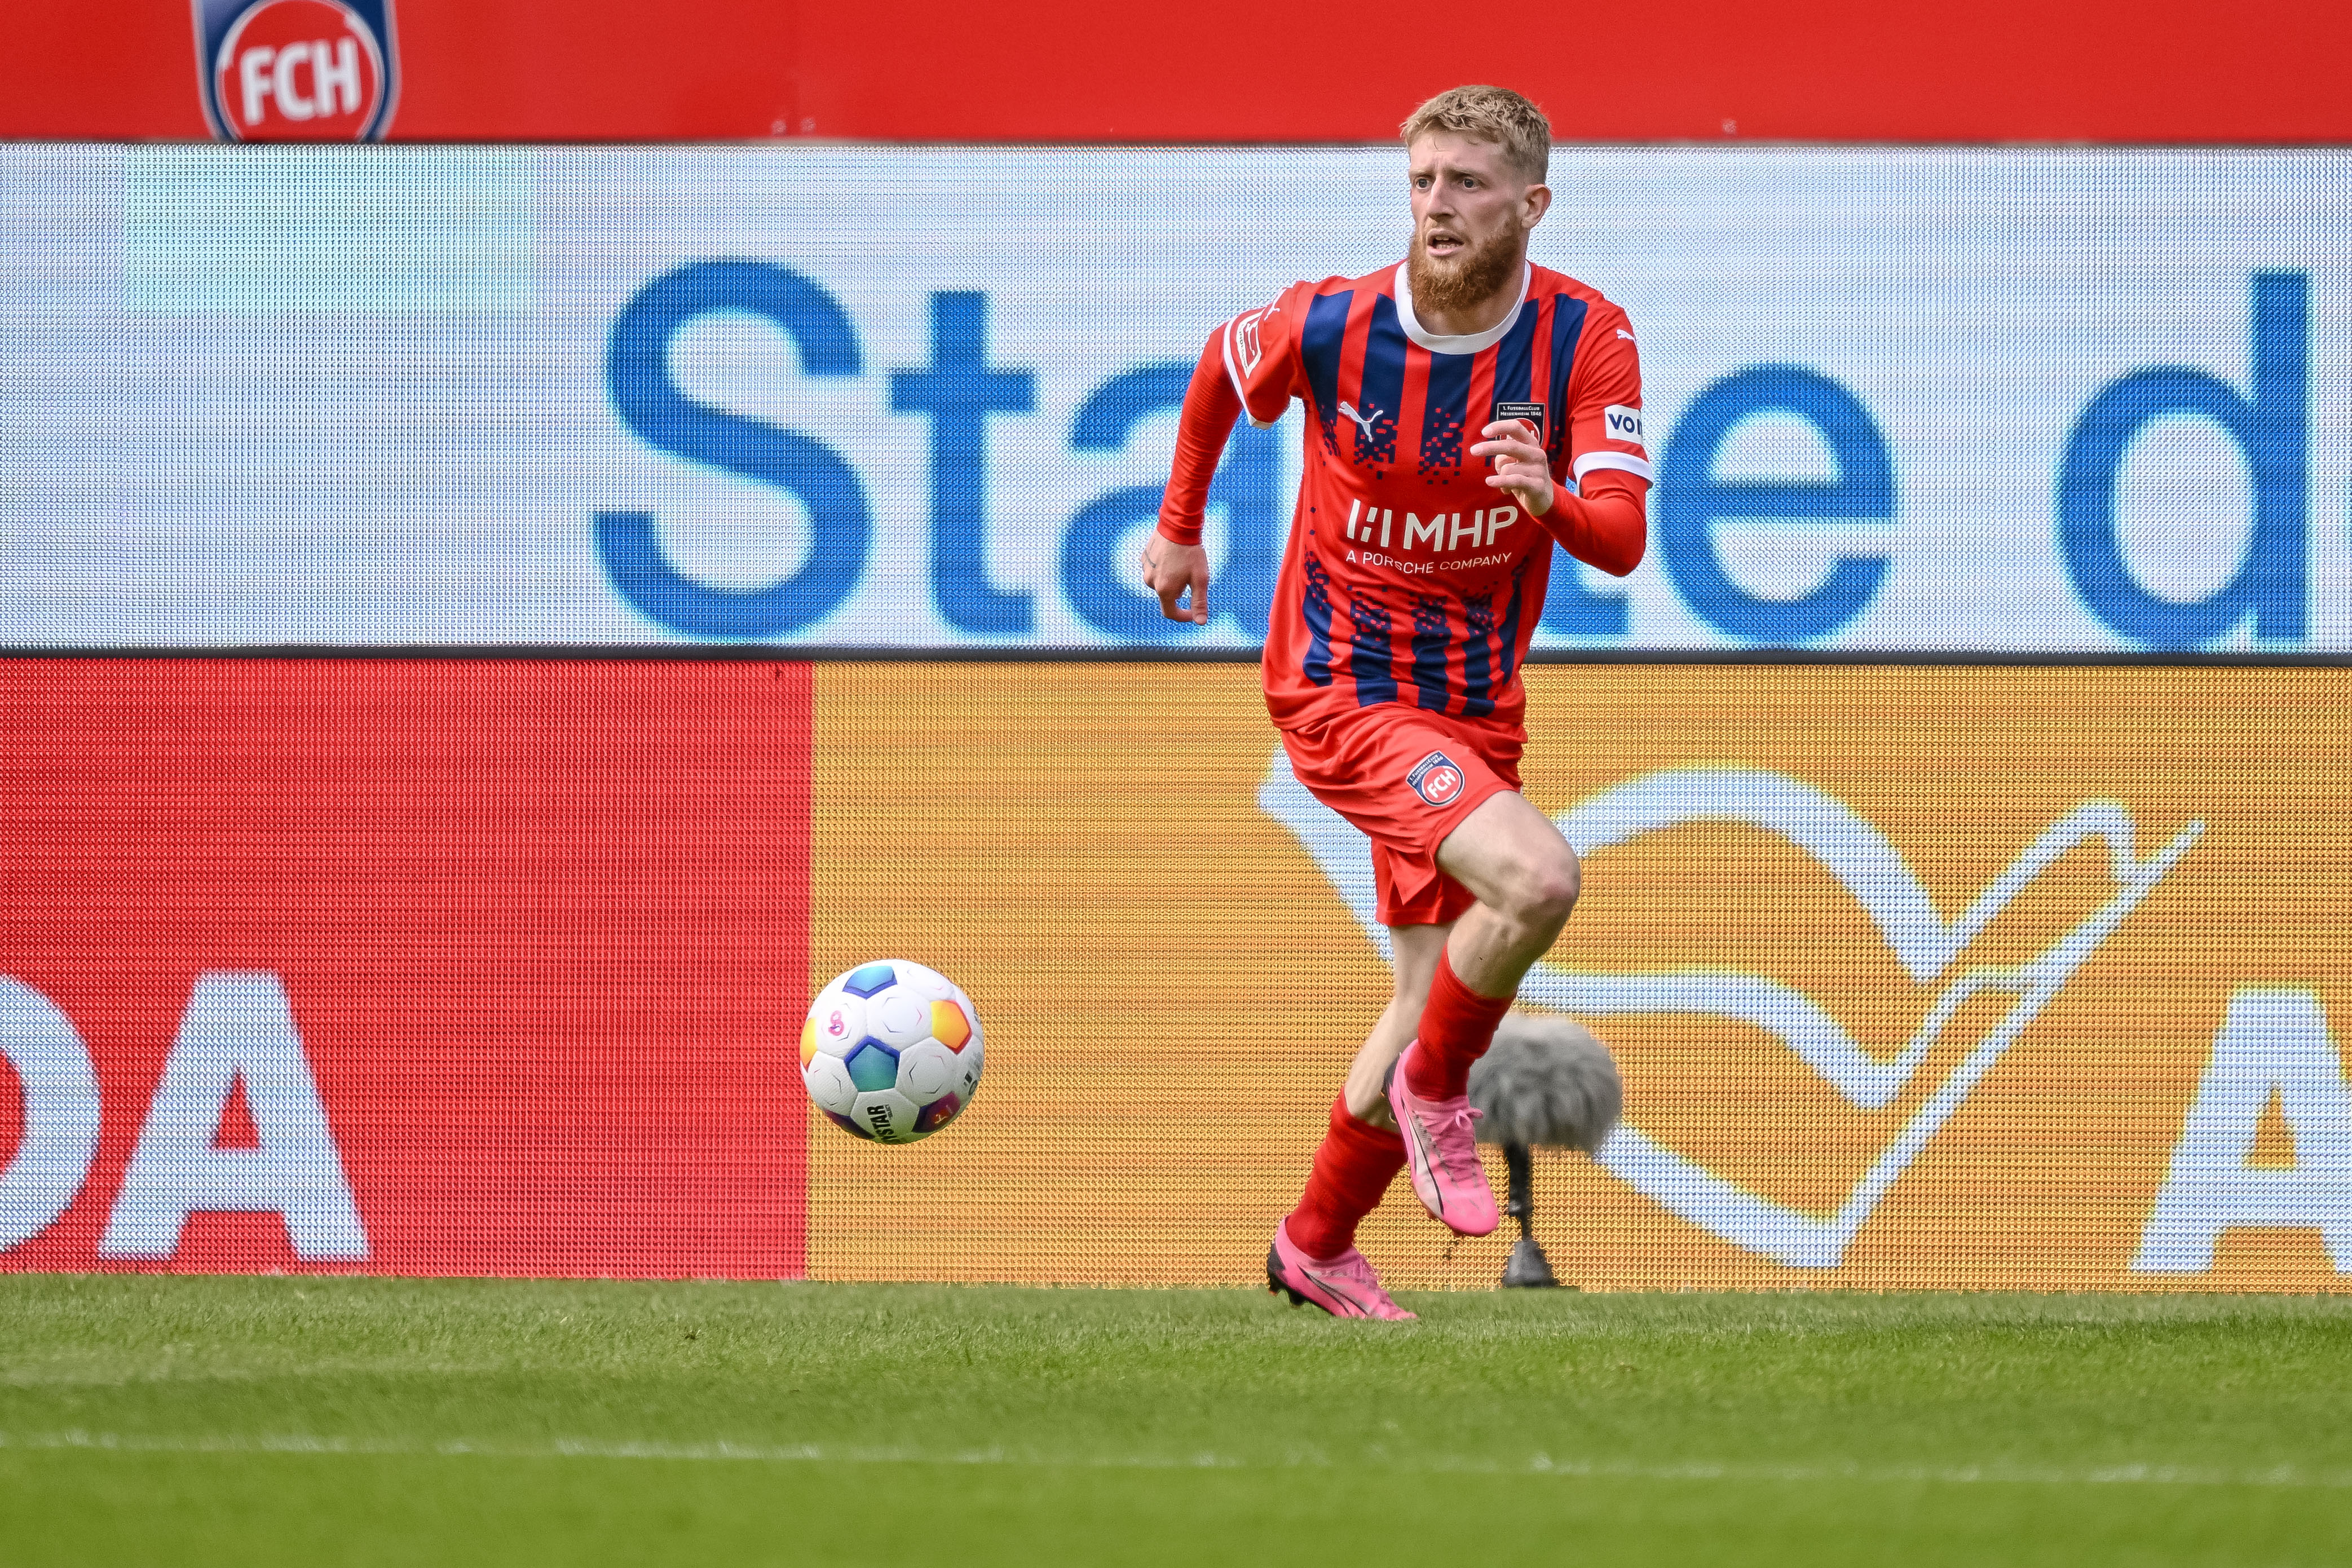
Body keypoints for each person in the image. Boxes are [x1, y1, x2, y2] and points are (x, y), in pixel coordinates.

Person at [1144, 85, 1650, 1319]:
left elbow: (1624, 539)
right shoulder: (1334, 321)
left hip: (1472, 703)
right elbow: (1221, 366)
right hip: (1341, 682)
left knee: (1426, 995)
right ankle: (1441, 1092)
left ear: (1530, 204)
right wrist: (1178, 530)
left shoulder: (1586, 337)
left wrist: (1551, 504)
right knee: (1536, 879)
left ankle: (1313, 1240)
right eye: (1423, 179)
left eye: (1468, 183)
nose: (1438, 204)